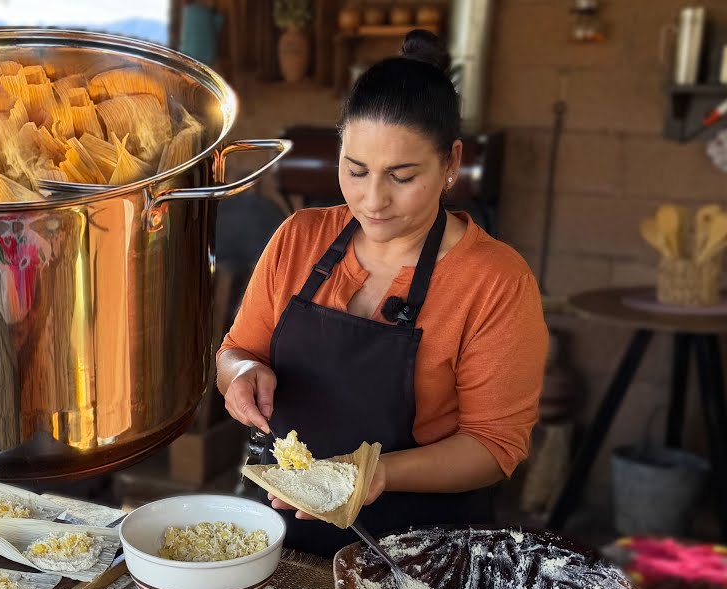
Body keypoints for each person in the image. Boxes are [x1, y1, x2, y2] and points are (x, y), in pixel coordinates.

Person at [217, 30, 549, 557]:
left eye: (402, 175)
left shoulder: (495, 281)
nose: (373, 200)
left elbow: (494, 446)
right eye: (355, 170)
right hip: (282, 531)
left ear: (451, 163)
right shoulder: (300, 236)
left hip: (418, 549)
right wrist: (238, 376)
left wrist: (375, 475)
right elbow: (237, 349)